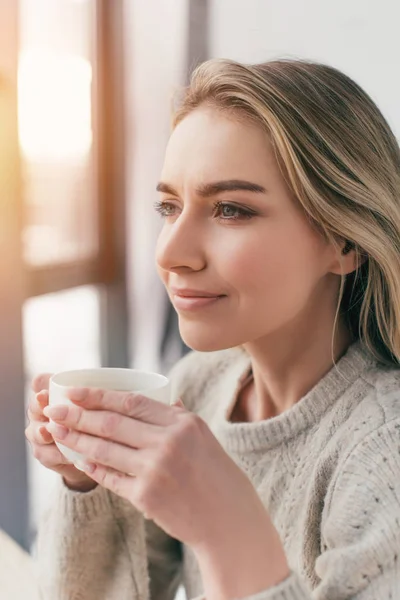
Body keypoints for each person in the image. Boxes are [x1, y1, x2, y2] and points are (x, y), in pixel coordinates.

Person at [25, 57, 400, 600]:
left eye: (229, 209)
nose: (171, 253)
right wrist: (89, 481)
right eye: (168, 206)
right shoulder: (198, 385)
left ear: (343, 242)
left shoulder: (383, 453)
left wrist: (228, 536)